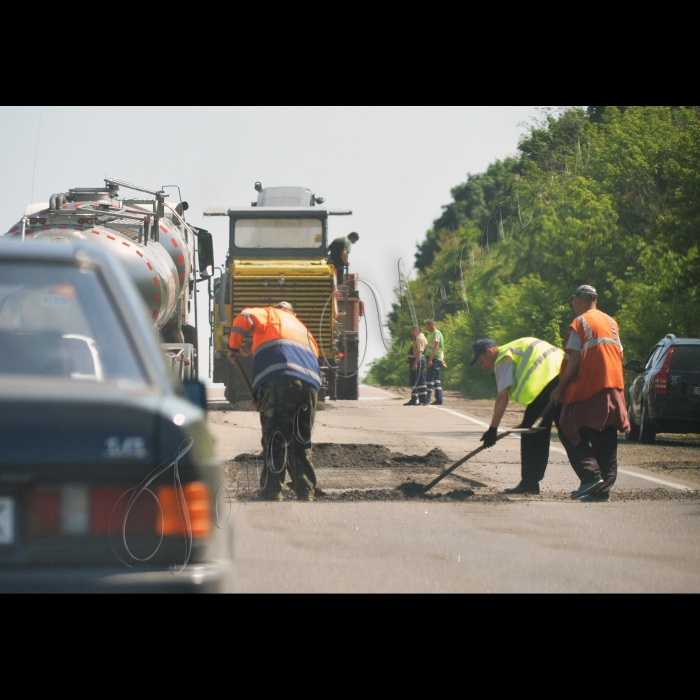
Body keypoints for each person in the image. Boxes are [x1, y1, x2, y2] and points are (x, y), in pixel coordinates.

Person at [227, 301, 322, 502]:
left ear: (277, 308)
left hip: (281, 378)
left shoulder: (270, 314)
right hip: (311, 384)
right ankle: (306, 491)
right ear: (293, 313)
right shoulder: (304, 330)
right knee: (300, 439)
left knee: (276, 435)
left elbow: (244, 317)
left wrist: (233, 347)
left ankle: (271, 491)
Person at [550, 285, 630, 502]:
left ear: (578, 301)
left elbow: (575, 358)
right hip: (615, 389)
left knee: (568, 428)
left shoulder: (581, 323)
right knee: (606, 438)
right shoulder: (611, 323)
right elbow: (619, 353)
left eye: (573, 302)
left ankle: (590, 477)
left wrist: (560, 388)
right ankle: (601, 491)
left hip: (591, 387)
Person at [471, 337, 564, 494]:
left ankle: (529, 483)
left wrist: (492, 429)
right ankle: (590, 477)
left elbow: (502, 397)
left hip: (547, 383)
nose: (483, 367)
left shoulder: (503, 358)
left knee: (532, 435)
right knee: (568, 431)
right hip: (564, 374)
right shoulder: (515, 347)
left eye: (481, 362)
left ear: (489, 352)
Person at [405, 325, 429, 406]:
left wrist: (415, 363)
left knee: (420, 380)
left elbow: (420, 352)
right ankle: (414, 398)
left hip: (418, 361)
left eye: (413, 331)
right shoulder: (418, 338)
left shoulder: (420, 339)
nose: (413, 333)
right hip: (414, 360)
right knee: (414, 380)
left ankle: (424, 399)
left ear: (417, 330)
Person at [425, 319, 447, 405]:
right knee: (436, 380)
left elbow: (436, 347)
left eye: (427, 327)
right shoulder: (432, 334)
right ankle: (439, 399)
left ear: (431, 325)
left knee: (430, 379)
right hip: (435, 358)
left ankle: (427, 399)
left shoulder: (436, 333)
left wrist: (430, 360)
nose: (426, 329)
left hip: (434, 359)